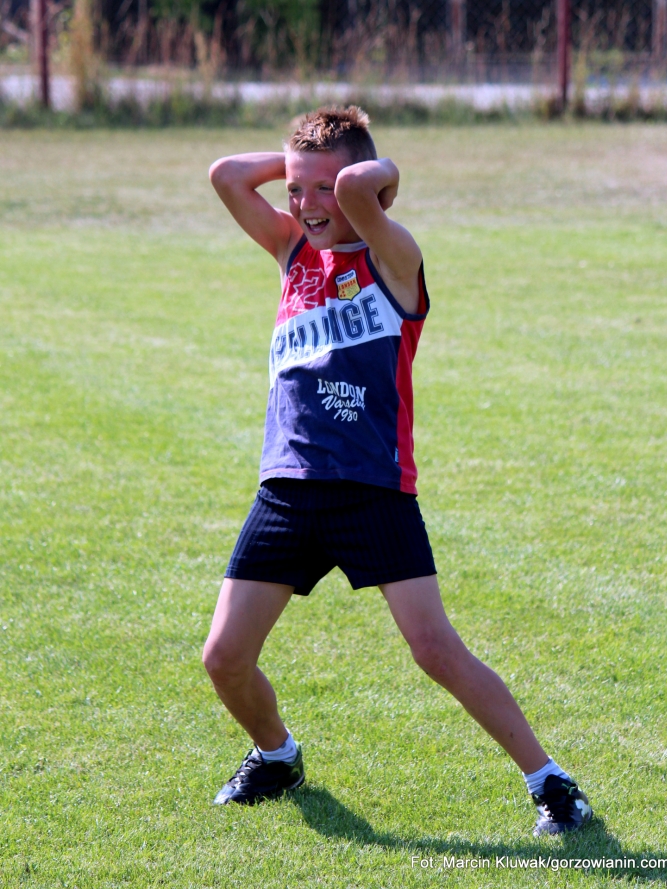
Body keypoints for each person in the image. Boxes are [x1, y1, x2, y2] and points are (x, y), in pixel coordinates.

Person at [203, 106, 592, 836]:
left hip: (372, 489)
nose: (307, 205)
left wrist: (371, 180)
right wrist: (302, 170)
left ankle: (552, 781)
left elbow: (358, 187)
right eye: (295, 189)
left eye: (324, 189)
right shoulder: (292, 253)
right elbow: (225, 176)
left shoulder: (393, 259)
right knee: (224, 656)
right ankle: (277, 754)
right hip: (288, 486)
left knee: (434, 648)